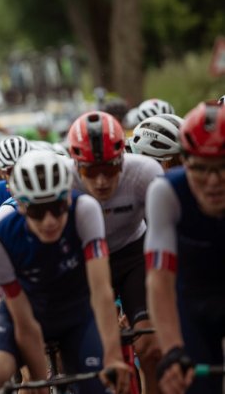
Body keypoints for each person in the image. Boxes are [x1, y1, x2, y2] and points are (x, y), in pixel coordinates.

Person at [0, 151, 131, 394]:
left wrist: (113, 357)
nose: (49, 221)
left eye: (57, 207)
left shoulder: (85, 210)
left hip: (76, 312)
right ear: (22, 206)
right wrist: (40, 383)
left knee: (101, 386)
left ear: (68, 199)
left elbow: (102, 290)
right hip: (27, 313)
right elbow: (25, 324)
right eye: (38, 212)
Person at [68, 111, 163, 394]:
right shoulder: (63, 181)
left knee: (149, 346)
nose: (100, 182)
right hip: (87, 260)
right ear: (76, 166)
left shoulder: (145, 172)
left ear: (122, 159)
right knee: (95, 351)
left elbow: (161, 240)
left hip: (133, 254)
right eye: (89, 171)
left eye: (109, 170)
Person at [145, 101, 225, 394]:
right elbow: (159, 279)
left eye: (222, 167)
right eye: (202, 169)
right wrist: (172, 350)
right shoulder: (165, 192)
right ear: (185, 162)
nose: (214, 181)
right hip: (190, 302)